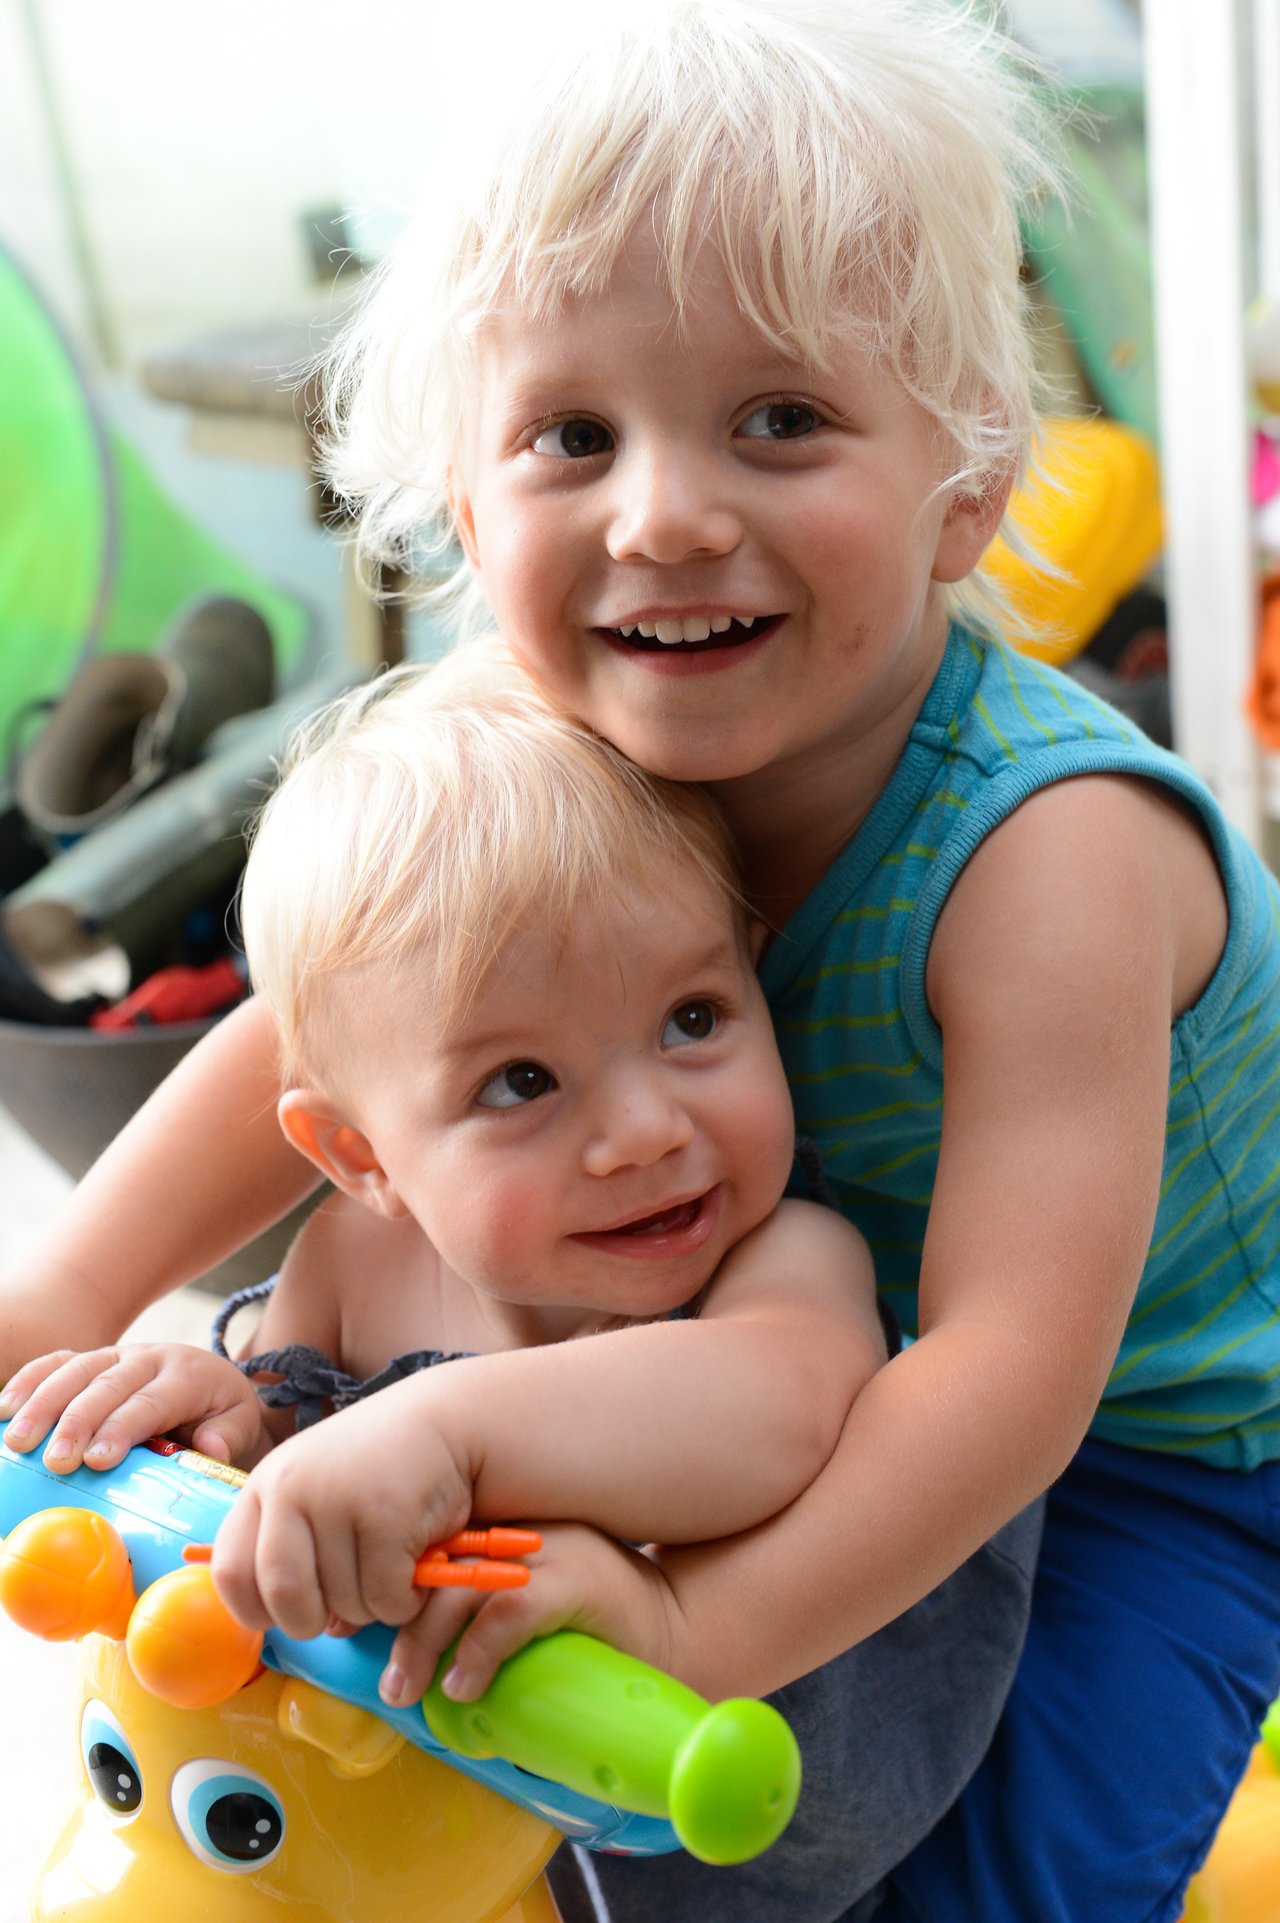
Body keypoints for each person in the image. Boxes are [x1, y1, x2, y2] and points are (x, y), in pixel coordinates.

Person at [4, 2, 1272, 1918]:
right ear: (462, 495)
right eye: (572, 435)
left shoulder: (1049, 856)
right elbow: (318, 1024)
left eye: (781, 417)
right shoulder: (554, 716)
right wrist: (59, 1308)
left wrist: (699, 1629)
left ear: (971, 481)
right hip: (746, 1297)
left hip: (1149, 1441)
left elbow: (1013, 1377)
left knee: (1001, 1880)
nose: (666, 514)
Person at [2, 648, 892, 1700]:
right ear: (362, 1158)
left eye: (691, 1020)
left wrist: (447, 1437)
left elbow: (772, 1414)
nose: (647, 1132)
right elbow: (301, 1487)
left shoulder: (778, 1258)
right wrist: (224, 1424)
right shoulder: (355, 1254)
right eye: (521, 1081)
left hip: (712, 1814)